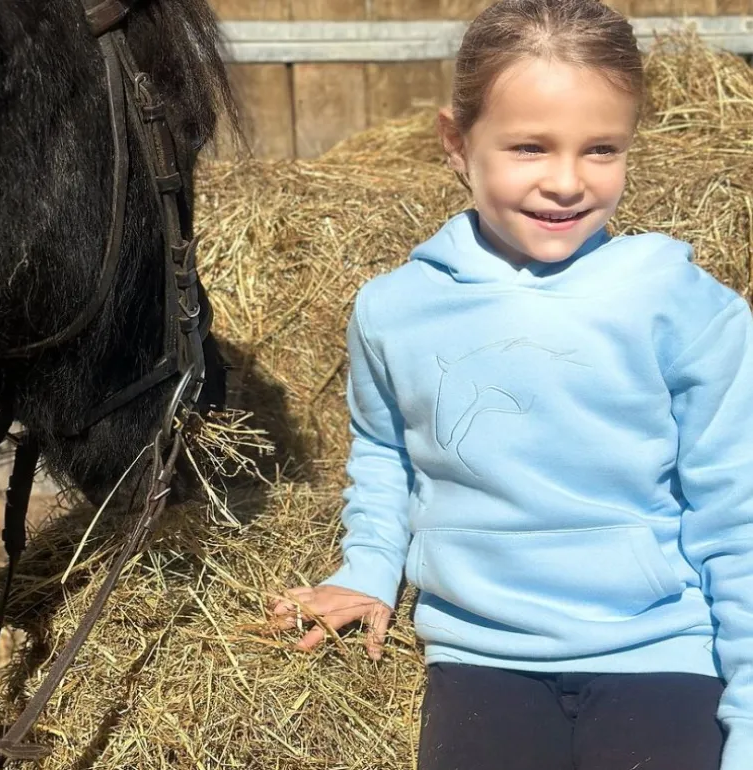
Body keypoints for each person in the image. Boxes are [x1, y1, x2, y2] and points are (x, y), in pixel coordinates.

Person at [270, 1, 753, 768]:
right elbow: (384, 454)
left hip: (660, 654)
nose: (566, 182)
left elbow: (736, 512)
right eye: (530, 146)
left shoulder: (684, 305)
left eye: (601, 149)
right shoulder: (393, 309)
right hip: (479, 660)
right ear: (456, 143)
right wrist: (367, 570)